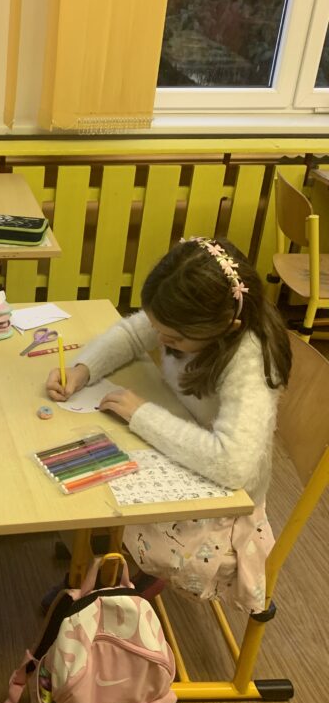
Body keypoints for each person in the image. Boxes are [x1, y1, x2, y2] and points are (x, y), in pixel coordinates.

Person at [46, 236, 292, 612]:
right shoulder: (192, 319)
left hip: (224, 500)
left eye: (173, 338)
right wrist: (83, 369)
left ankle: (112, 581)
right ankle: (97, 561)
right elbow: (133, 333)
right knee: (84, 468)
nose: (160, 339)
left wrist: (141, 414)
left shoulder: (249, 361)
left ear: (227, 326)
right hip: (187, 446)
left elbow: (233, 466)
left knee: (94, 486)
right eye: (158, 328)